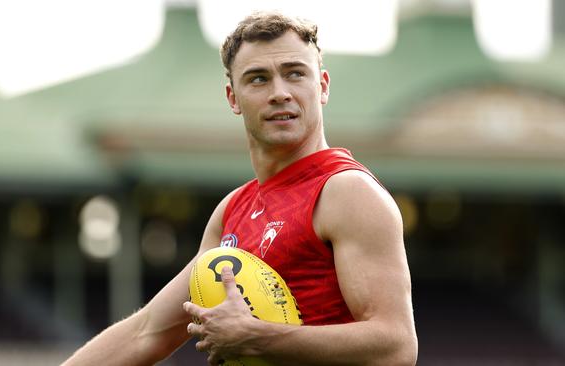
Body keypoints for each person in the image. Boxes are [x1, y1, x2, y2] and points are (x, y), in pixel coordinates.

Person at [63, 11, 417, 366]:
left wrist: (258, 338)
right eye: (258, 79)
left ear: (322, 86)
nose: (280, 93)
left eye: (295, 74)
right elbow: (146, 333)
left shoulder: (347, 192)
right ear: (233, 98)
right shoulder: (233, 210)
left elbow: (396, 346)